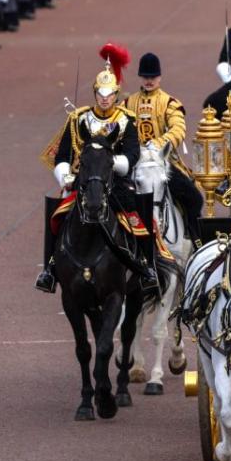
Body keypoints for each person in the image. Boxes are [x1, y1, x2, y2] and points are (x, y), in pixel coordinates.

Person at [36, 47, 159, 294]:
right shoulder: (78, 119)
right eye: (100, 94)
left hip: (114, 182)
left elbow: (133, 154)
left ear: (116, 94)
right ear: (95, 93)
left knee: (138, 212)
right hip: (82, 182)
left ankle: (146, 266)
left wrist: (114, 164)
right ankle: (49, 268)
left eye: (109, 94)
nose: (105, 99)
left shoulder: (126, 119)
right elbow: (63, 155)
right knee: (56, 211)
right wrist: (66, 176)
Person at [124, 52, 205, 247]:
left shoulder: (169, 103)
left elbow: (178, 129)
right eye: (146, 77)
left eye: (153, 77)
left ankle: (194, 239)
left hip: (163, 161)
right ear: (140, 77)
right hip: (135, 162)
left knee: (194, 199)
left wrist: (159, 144)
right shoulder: (127, 103)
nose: (149, 81)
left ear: (159, 77)